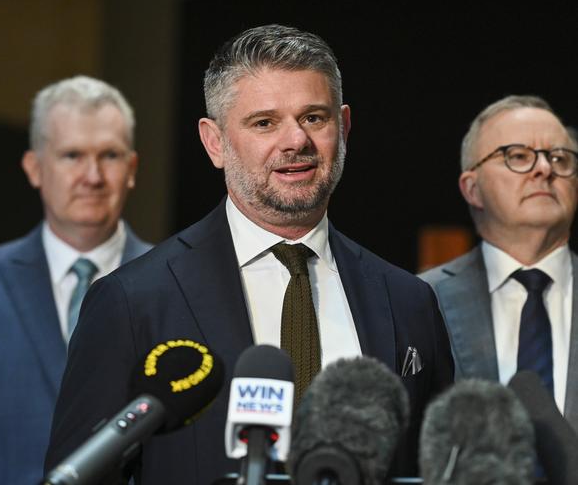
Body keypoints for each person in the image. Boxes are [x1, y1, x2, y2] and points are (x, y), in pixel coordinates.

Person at [45, 25, 453, 484]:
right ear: (214, 142)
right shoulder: (132, 300)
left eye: (314, 118)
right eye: (264, 123)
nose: (296, 140)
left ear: (345, 126)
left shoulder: (409, 302)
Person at [0, 76, 153, 485]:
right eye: (71, 155)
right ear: (34, 168)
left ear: (132, 169)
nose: (93, 176)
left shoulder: (172, 280)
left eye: (110, 155)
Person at [420, 95, 578, 432]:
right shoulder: (419, 300)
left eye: (560, 159)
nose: (545, 169)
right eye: (518, 156)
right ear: (472, 188)